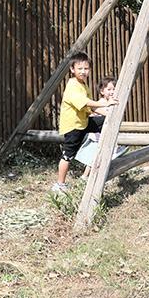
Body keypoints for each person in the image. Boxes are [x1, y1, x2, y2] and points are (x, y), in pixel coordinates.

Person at [52, 52, 115, 194]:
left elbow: (91, 108)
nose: (83, 71)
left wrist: (109, 114)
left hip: (84, 122)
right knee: (68, 155)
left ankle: (105, 153)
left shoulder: (84, 86)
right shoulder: (72, 85)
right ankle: (59, 184)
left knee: (104, 122)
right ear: (72, 69)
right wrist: (104, 105)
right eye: (79, 68)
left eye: (86, 68)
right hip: (73, 126)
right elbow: (85, 102)